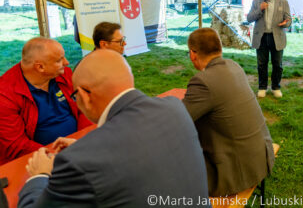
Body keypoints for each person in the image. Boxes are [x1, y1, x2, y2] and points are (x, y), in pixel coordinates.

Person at [18, 50, 211, 208]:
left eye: (75, 96)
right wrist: (87, 148)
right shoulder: (174, 107)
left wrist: (40, 175)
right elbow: (140, 145)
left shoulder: (77, 163)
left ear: (85, 94)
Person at [183, 28, 275, 197]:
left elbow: (180, 120)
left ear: (192, 54)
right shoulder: (234, 66)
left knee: (173, 157)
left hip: (236, 172)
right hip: (260, 156)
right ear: (220, 49)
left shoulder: (203, 82)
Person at [0, 38, 92, 165]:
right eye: (59, 60)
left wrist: (82, 141)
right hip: (40, 160)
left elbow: (85, 108)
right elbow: (16, 145)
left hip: (77, 146)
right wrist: (56, 155)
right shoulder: (5, 94)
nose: (66, 62)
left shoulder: (64, 74)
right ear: (40, 67)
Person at [247, 0, 291, 98]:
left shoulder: (283, 2)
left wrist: (286, 23)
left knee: (277, 64)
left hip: (276, 37)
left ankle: (276, 87)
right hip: (261, 37)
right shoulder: (256, 2)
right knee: (262, 64)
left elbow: (288, 19)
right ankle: (262, 87)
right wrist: (259, 9)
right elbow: (249, 18)